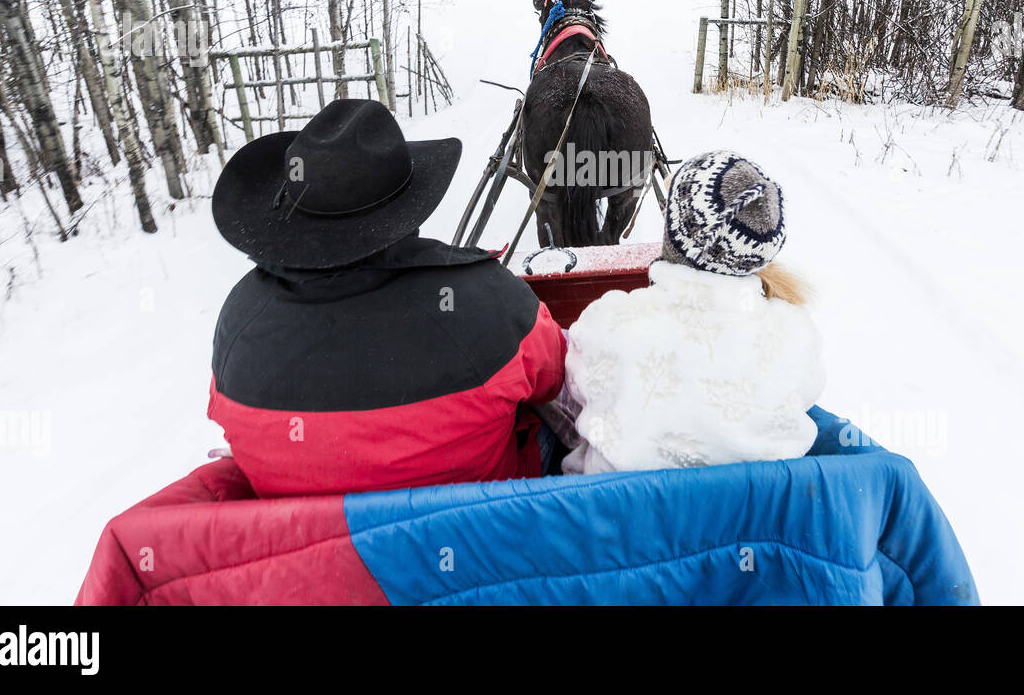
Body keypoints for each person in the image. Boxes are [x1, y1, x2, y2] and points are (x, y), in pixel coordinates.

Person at [207, 98, 566, 497]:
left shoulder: (238, 321)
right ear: (407, 208)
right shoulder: (489, 298)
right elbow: (553, 376)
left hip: (310, 543)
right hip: (484, 527)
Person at [559, 151, 825, 474]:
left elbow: (572, 390)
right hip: (754, 517)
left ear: (674, 234)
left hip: (619, 517)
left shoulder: (608, 323)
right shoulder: (797, 335)